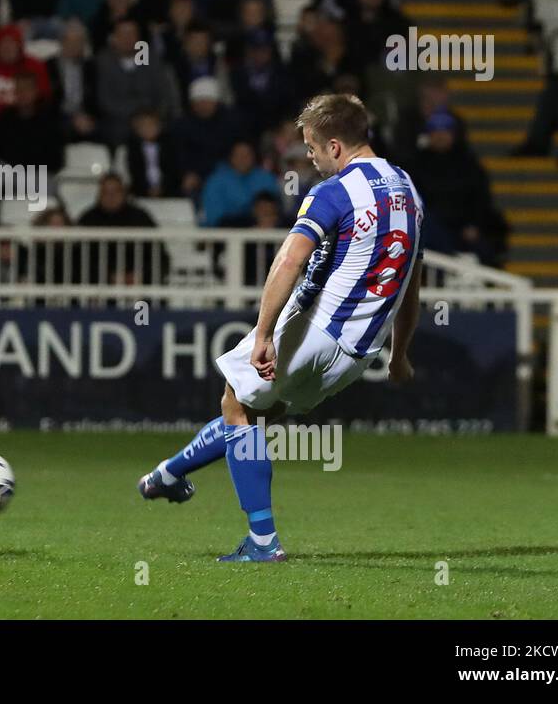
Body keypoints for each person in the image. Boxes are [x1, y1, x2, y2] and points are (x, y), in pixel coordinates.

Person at [136, 94, 425, 563]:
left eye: (311, 147)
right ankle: (168, 475)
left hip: (316, 325)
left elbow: (290, 257)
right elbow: (411, 279)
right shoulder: (408, 190)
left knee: (235, 403)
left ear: (335, 146)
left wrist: (265, 332)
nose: (308, 157)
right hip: (358, 353)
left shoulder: (333, 191)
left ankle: (263, 543)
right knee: (257, 416)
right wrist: (399, 353)